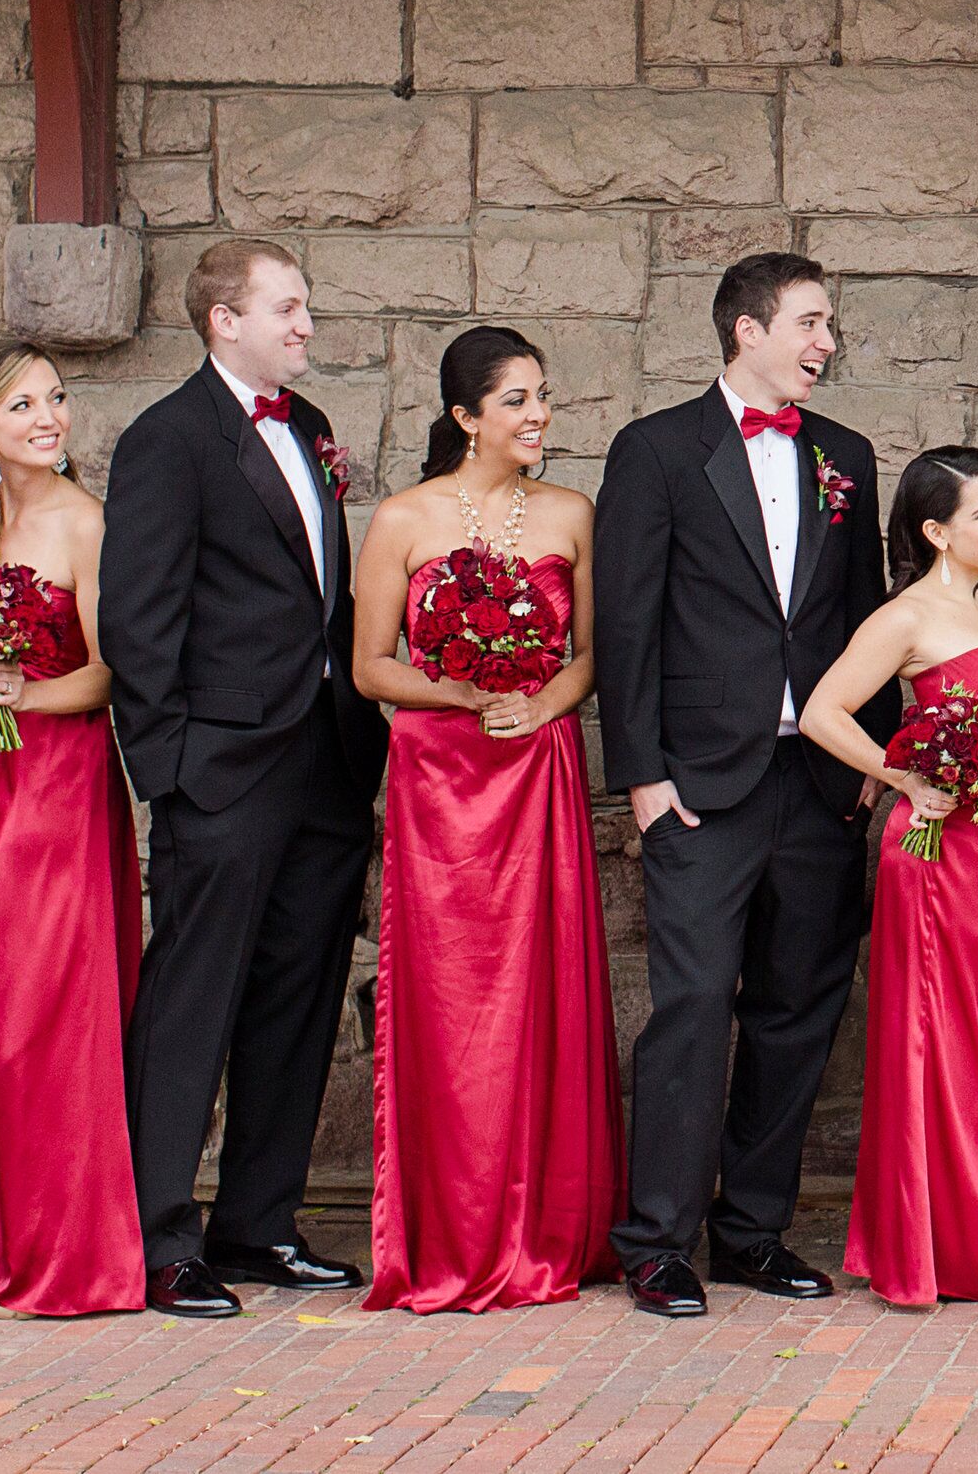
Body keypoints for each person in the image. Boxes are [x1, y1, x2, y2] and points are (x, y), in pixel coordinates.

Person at [596, 252, 886, 1316]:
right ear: (746, 331)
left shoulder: (846, 455)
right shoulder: (656, 450)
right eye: (810, 322)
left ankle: (751, 1232)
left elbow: (870, 622)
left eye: (827, 324)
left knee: (797, 1010)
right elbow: (626, 620)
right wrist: (639, 776)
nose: (825, 342)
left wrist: (865, 769)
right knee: (688, 1008)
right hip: (697, 789)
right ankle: (657, 1242)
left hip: (814, 786)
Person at [102, 239, 388, 1318]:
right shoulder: (169, 440)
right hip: (220, 769)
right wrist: (173, 769)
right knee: (192, 1005)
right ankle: (160, 1237)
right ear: (225, 320)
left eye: (304, 306)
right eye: (287, 306)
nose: (305, 324)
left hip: (323, 759)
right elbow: (137, 616)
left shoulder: (307, 432)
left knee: (297, 999)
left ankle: (259, 1223)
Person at [350, 327, 617, 1314]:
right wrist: (461, 692)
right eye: (514, 399)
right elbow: (369, 662)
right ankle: (450, 1226)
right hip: (436, 782)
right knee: (449, 996)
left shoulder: (571, 515)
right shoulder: (404, 518)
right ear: (465, 417)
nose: (537, 414)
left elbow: (591, 653)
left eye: (541, 395)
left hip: (536, 768)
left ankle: (547, 1224)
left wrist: (541, 704)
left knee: (540, 989)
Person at [797, 447, 978, 1309]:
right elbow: (821, 711)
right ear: (935, 531)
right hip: (941, 858)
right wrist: (902, 778)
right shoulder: (906, 617)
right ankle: (940, 1247)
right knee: (946, 1047)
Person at [0, 340, 144, 1321]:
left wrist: (29, 693)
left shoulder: (83, 523)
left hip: (63, 791)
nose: (47, 418)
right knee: (7, 1019)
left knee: (61, 1013)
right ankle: (20, 1248)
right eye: (21, 404)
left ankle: (75, 1264)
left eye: (55, 399)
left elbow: (113, 673)